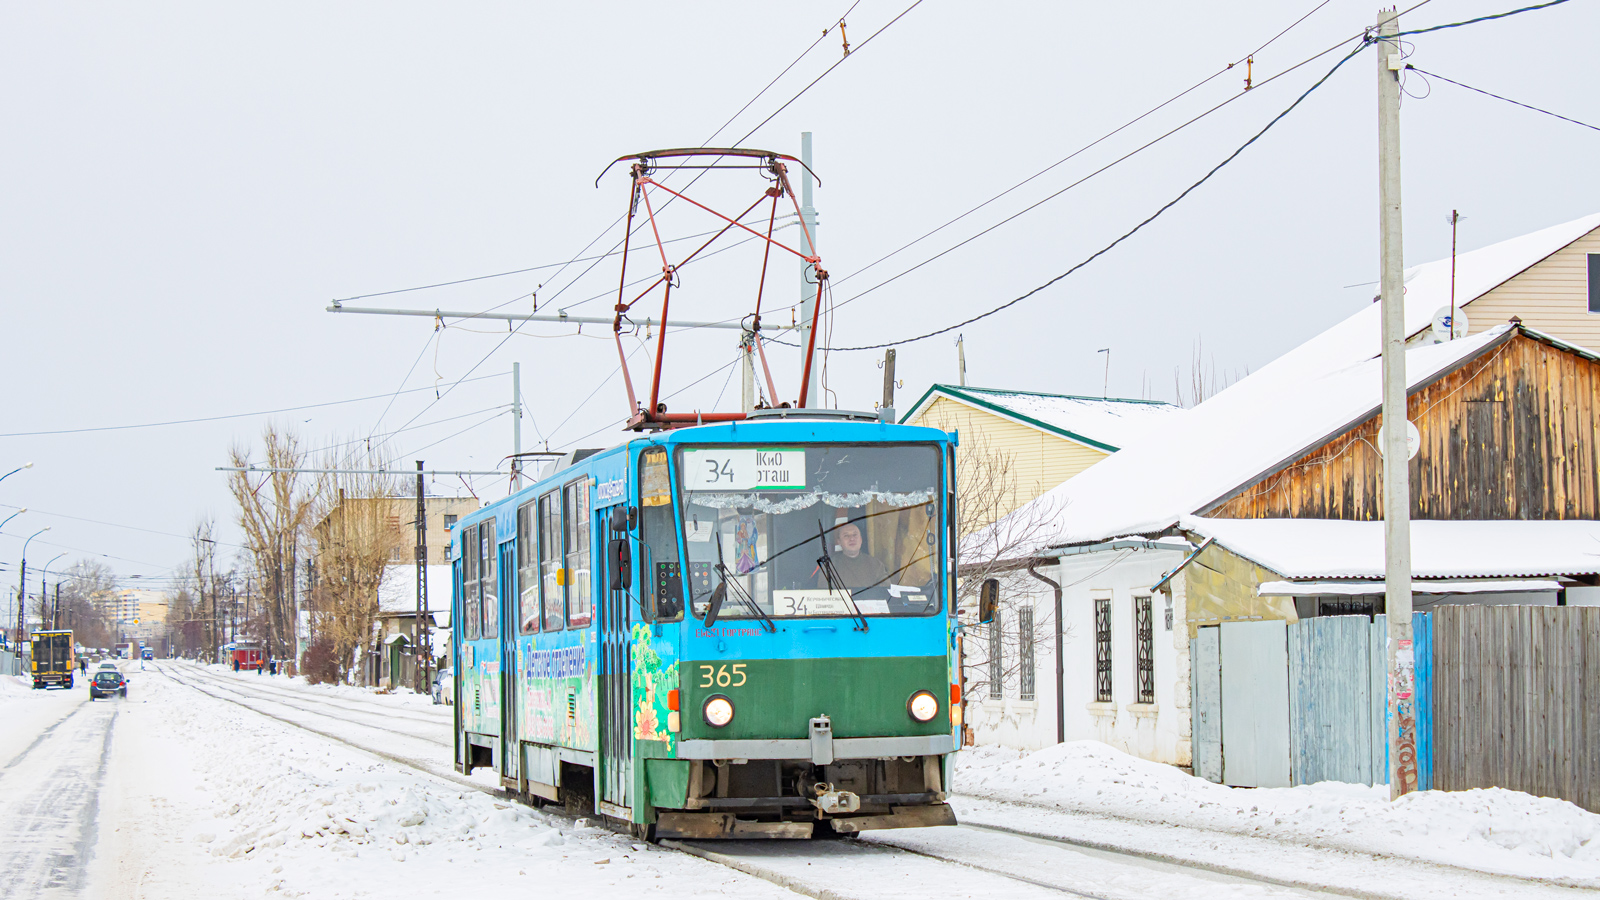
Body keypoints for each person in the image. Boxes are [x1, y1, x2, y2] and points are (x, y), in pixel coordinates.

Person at [819, 521, 889, 591]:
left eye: (855, 535)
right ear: (839, 542)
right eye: (846, 536)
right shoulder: (829, 566)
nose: (852, 539)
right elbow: (823, 596)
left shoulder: (876, 565)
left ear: (861, 540)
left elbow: (885, 592)